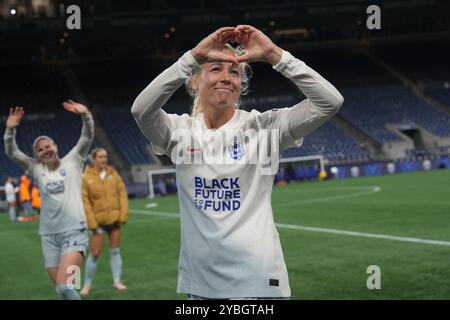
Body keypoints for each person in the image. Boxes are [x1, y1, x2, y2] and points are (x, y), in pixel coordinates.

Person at [131, 25, 344, 299]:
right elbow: (141, 109)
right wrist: (192, 57)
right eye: (216, 68)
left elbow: (330, 102)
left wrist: (275, 56)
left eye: (234, 71)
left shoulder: (264, 128)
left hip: (258, 282)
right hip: (201, 287)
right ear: (194, 80)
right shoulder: (178, 131)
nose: (226, 78)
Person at [4, 101, 95, 300]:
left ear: (55, 146)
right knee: (64, 291)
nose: (45, 150)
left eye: (47, 146)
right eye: (40, 149)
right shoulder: (36, 169)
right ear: (36, 155)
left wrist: (86, 115)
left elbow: (87, 136)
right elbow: (12, 152)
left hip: (74, 231)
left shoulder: (73, 161)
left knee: (65, 287)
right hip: (49, 236)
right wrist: (10, 131)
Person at [80, 147, 129, 297]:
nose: (104, 159)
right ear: (93, 159)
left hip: (114, 219)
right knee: (94, 253)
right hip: (98, 223)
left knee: (115, 250)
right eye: (100, 157)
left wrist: (123, 215)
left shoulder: (113, 174)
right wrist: (92, 223)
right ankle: (87, 285)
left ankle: (117, 281)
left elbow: (122, 194)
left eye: (105, 156)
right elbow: (85, 201)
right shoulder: (85, 177)